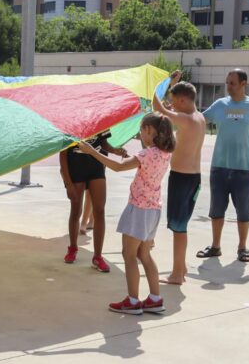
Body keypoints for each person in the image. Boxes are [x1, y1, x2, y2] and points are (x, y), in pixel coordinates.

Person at [78, 113, 175, 315]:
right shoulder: (165, 153)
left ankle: (132, 300)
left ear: (149, 130)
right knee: (144, 254)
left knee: (129, 255)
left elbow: (118, 166)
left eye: (141, 130)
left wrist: (91, 151)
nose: (140, 135)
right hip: (153, 210)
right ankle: (155, 299)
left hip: (138, 210)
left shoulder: (147, 155)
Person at [197, 69, 249, 263]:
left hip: (243, 168)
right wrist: (178, 111)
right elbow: (197, 120)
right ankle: (215, 246)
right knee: (216, 209)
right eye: (227, 83)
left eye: (232, 83)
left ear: (244, 83)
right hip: (219, 166)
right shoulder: (220, 105)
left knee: (243, 211)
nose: (228, 86)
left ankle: (242, 247)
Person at [152, 71, 207, 284]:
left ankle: (176, 274)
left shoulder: (185, 119)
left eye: (175, 102)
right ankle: (181, 266)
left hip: (182, 179)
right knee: (181, 224)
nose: (172, 105)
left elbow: (159, 108)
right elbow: (167, 107)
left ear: (183, 100)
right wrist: (173, 84)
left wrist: (156, 87)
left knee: (178, 227)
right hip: (193, 178)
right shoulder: (199, 117)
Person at [59, 130, 127, 271]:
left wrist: (115, 150)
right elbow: (63, 154)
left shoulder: (99, 116)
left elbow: (103, 143)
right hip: (75, 169)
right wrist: (68, 183)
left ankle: (97, 257)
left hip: (96, 168)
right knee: (76, 210)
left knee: (100, 211)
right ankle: (72, 248)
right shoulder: (70, 121)